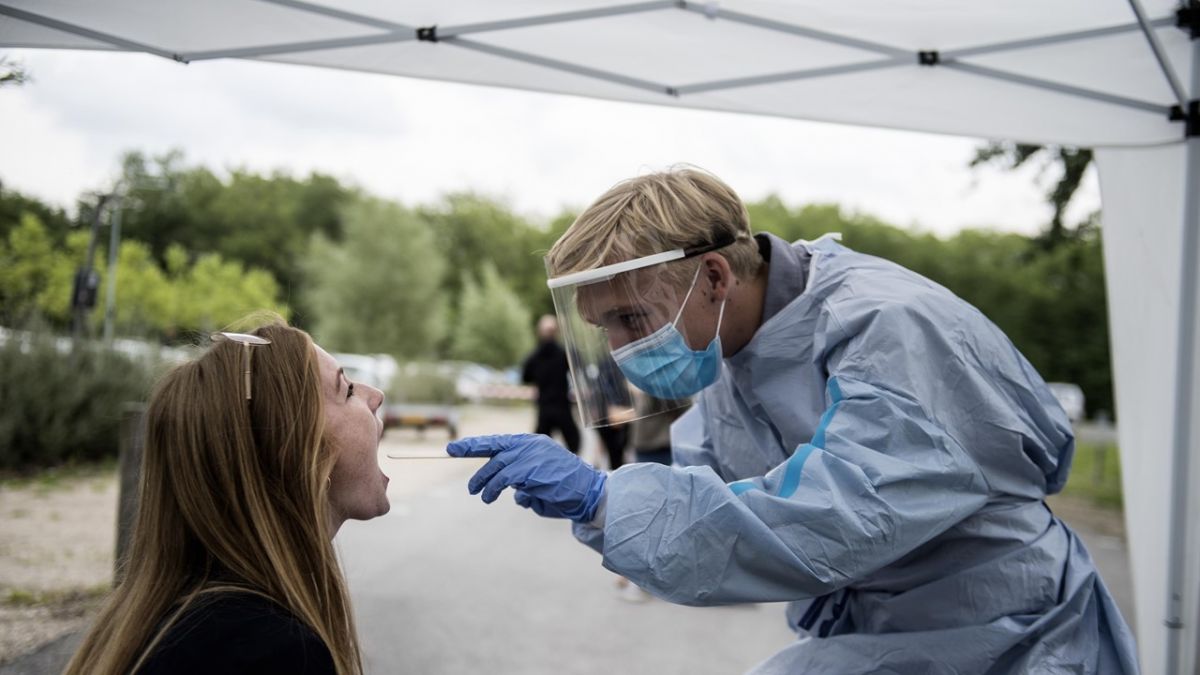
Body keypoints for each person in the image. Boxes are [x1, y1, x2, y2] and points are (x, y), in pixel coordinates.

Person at [447, 167, 1138, 673]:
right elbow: (712, 510)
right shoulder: (728, 350)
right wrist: (608, 514)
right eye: (604, 328)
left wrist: (605, 498)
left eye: (631, 317)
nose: (622, 349)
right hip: (894, 638)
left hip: (1008, 638)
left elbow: (831, 518)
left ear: (714, 276)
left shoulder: (885, 326)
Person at [64, 320, 390, 675]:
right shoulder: (274, 654)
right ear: (296, 453)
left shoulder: (170, 621)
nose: (376, 395)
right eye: (346, 391)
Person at [522, 314, 580, 454]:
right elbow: (577, 368)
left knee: (540, 448)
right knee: (574, 443)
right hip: (560, 407)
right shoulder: (564, 353)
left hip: (546, 407)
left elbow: (525, 378)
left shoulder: (534, 356)